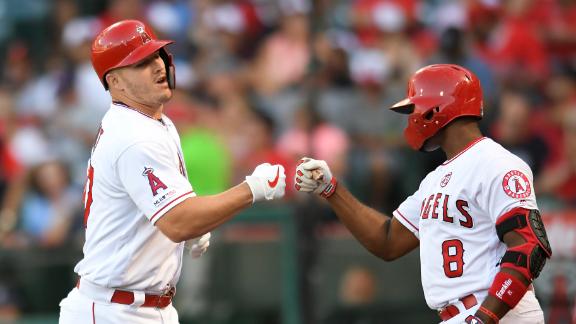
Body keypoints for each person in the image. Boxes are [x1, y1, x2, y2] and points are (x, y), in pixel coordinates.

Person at [59, 20, 286, 324]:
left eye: (158, 56)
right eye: (140, 63)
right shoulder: (133, 136)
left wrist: (191, 227)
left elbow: (168, 211)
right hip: (114, 310)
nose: (157, 67)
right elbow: (178, 221)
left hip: (144, 306)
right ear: (115, 82)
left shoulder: (154, 121)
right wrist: (253, 189)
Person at [295, 64, 551, 324]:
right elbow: (387, 240)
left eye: (414, 109)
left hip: (500, 312)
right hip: (464, 315)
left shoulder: (496, 163)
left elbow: (530, 247)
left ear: (437, 109)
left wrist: (485, 317)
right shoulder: (435, 180)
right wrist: (331, 189)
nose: (411, 118)